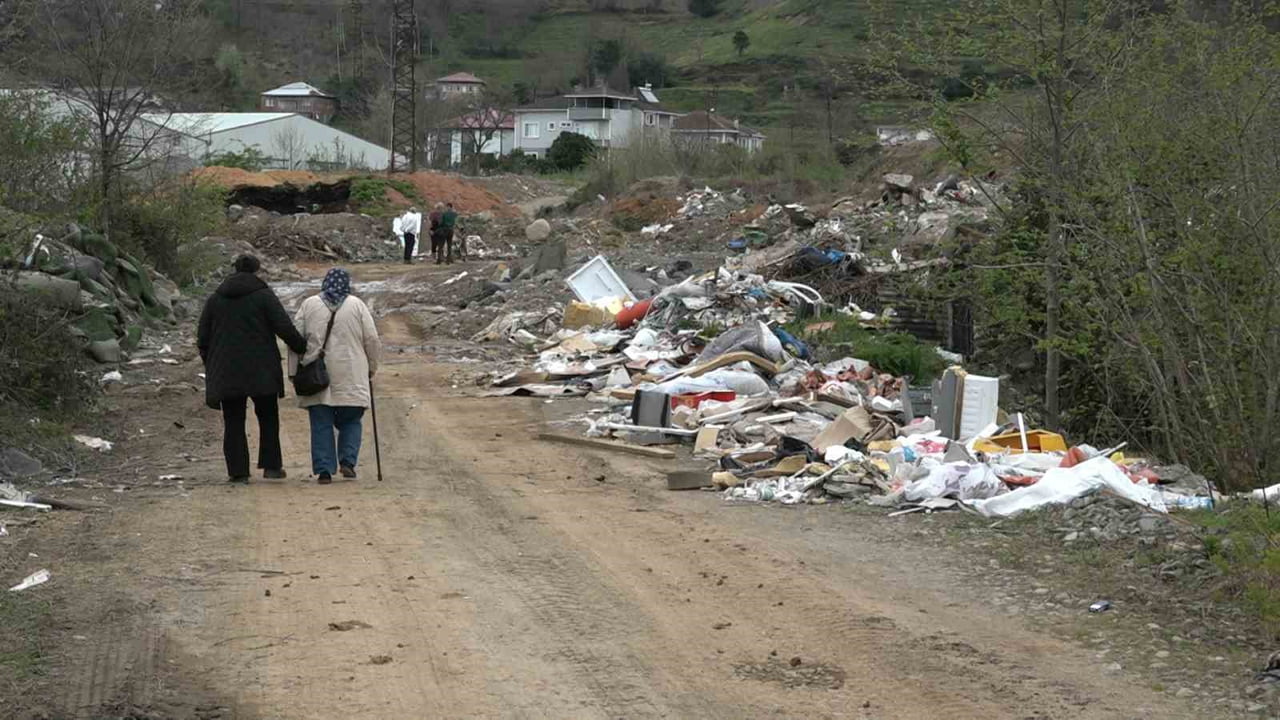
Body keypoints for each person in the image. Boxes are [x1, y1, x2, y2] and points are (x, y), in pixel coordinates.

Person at [197, 255, 307, 484]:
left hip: (226, 369)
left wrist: (211, 363)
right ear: (256, 271)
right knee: (268, 416)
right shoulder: (263, 296)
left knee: (233, 419)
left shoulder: (215, 299)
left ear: (234, 270)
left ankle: (238, 472)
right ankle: (272, 467)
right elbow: (283, 327)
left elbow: (203, 338)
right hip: (262, 367)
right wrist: (302, 347)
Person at [290, 268, 381, 484]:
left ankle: (324, 471)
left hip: (316, 373)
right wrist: (372, 367)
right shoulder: (357, 305)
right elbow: (372, 339)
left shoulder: (309, 304)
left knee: (321, 421)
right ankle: (348, 462)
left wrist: (293, 371)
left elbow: (294, 340)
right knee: (351, 419)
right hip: (352, 372)